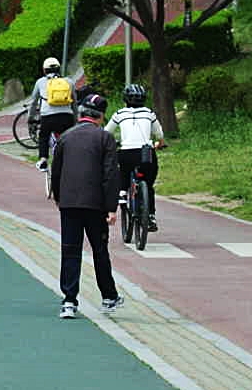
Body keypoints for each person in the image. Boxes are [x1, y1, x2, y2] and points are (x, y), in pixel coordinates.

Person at [49, 92, 123, 318]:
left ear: (81, 113)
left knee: (70, 250)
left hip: (69, 202)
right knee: (100, 250)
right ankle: (108, 296)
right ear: (101, 116)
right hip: (95, 203)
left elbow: (56, 170)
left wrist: (59, 197)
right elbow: (110, 174)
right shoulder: (105, 138)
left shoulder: (66, 137)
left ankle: (69, 300)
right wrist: (111, 207)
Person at [107, 83, 166, 232]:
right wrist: (161, 143)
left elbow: (107, 132)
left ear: (125, 99)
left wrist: (113, 144)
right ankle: (151, 216)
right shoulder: (149, 113)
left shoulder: (119, 114)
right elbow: (159, 134)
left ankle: (122, 193)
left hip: (126, 153)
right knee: (148, 184)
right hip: (146, 153)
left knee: (123, 171)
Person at [33, 56, 77, 168]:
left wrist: (30, 118)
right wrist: (75, 119)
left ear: (44, 70)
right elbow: (74, 103)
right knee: (69, 139)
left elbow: (33, 102)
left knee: (43, 136)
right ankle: (72, 158)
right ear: (59, 69)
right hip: (66, 117)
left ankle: (43, 159)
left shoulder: (40, 82)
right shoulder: (69, 82)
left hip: (47, 118)